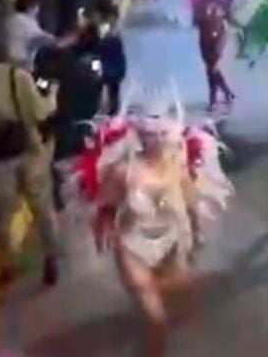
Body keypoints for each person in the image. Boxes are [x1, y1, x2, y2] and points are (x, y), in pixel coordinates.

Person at [74, 93, 231, 356]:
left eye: (160, 133)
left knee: (177, 307)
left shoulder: (178, 168)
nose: (154, 139)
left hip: (171, 246)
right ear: (137, 135)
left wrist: (196, 238)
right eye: (148, 134)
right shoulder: (123, 173)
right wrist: (103, 229)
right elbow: (104, 208)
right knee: (156, 321)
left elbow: (191, 207)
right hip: (133, 251)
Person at [0, 51, 59, 289]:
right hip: (29, 151)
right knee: (42, 207)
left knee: (3, 216)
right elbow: (40, 111)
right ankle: (50, 257)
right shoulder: (17, 77)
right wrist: (52, 94)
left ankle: (8, 264)